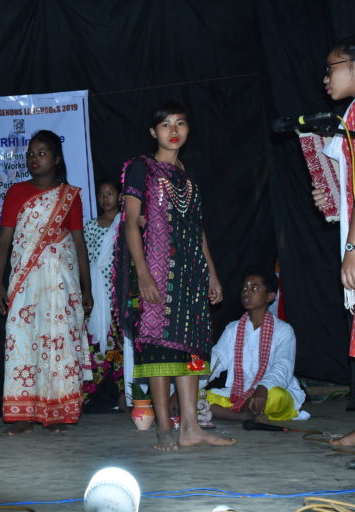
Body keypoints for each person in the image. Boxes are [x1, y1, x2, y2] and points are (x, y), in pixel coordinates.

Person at [113, 101, 235, 451]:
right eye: (166, 124)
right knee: (159, 347)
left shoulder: (187, 178)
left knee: (192, 348)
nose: (174, 130)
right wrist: (143, 274)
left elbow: (198, 230)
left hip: (191, 274)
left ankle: (191, 428)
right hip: (157, 271)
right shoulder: (141, 168)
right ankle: (165, 428)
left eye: (180, 123)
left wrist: (212, 275)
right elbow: (131, 225)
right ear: (154, 132)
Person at [0, 129, 93, 435]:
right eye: (30, 154)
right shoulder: (16, 192)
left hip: (61, 283)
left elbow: (79, 244)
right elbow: (4, 240)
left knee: (59, 341)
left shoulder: (70, 196)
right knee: (22, 342)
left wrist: (87, 288)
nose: (34, 159)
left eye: (41, 153)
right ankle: (22, 415)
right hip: (25, 283)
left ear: (56, 159)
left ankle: (59, 411)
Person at [311, 36, 355, 447]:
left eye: (332, 67)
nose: (326, 77)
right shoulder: (350, 116)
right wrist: (330, 197)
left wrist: (352, 249)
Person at [207, 269, 308, 422]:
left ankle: (235, 412)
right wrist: (192, 384)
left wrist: (263, 387)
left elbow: (283, 365)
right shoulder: (233, 329)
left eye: (254, 288)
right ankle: (243, 415)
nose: (246, 292)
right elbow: (216, 361)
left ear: (270, 296)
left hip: (269, 391)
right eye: (244, 287)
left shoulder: (283, 330)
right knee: (193, 396)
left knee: (277, 397)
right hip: (236, 393)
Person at [82, 178, 125, 404]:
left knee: (124, 348)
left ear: (120, 196)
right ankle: (81, 396)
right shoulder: (90, 226)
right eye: (101, 194)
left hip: (122, 295)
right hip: (98, 295)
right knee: (95, 347)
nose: (105, 198)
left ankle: (129, 397)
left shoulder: (127, 224)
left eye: (110, 193)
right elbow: (85, 261)